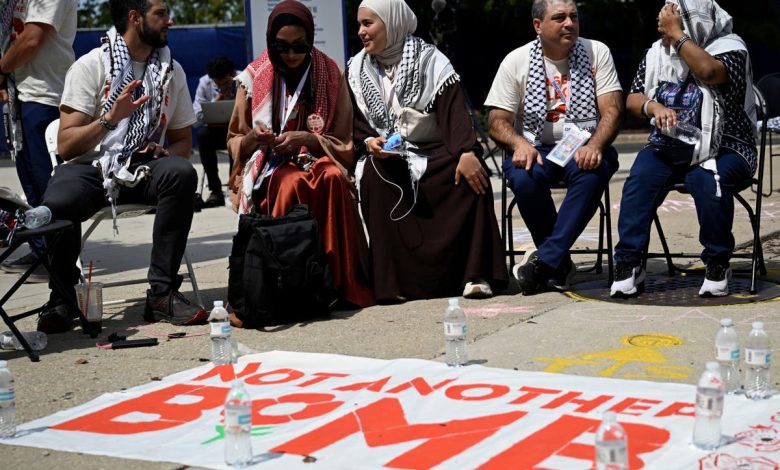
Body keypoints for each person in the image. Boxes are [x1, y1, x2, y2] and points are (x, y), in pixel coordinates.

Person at [36, 0, 207, 333]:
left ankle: (162, 293)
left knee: (182, 173)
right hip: (90, 166)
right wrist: (109, 118)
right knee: (55, 203)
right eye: (160, 14)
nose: (169, 21)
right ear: (135, 18)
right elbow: (67, 145)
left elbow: (183, 141)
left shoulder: (172, 71)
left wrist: (165, 155)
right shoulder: (90, 66)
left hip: (142, 165)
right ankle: (63, 298)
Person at [348, 0, 507, 302]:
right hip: (388, 156)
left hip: (433, 151)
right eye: (360, 25)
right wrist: (368, 142)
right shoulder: (356, 70)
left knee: (468, 172)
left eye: (368, 23)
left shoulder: (430, 60)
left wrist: (466, 152)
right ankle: (394, 283)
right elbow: (355, 125)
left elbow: (454, 113)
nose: (361, 32)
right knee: (373, 174)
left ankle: (474, 274)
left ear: (392, 23)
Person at [227, 0, 374, 320]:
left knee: (332, 178)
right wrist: (257, 137)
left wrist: (308, 139)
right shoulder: (253, 77)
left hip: (317, 154)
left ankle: (338, 284)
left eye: (299, 46)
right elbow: (235, 140)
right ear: (270, 42)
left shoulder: (329, 72)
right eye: (282, 47)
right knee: (289, 182)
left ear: (310, 41)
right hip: (269, 163)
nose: (291, 55)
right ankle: (287, 285)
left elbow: (343, 140)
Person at [610, 0, 756, 298]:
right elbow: (633, 97)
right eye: (665, 20)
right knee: (640, 178)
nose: (665, 25)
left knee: (707, 178)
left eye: (676, 20)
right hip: (671, 144)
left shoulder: (731, 48)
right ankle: (630, 263)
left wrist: (678, 36)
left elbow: (708, 72)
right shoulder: (657, 52)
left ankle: (717, 263)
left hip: (727, 147)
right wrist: (654, 106)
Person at [485, 0, 623, 295]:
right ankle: (558, 263)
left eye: (573, 16)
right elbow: (496, 120)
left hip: (583, 142)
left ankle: (545, 262)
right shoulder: (516, 61)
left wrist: (596, 144)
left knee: (593, 168)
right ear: (538, 26)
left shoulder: (596, 52)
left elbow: (612, 110)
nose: (569, 23)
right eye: (559, 18)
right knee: (524, 176)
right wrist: (518, 143)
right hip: (536, 145)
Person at [0, 0, 77, 283]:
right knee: (31, 183)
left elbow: (32, 39)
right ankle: (42, 250)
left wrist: (1, 68)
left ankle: (60, 262)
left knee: (48, 187)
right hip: (23, 92)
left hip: (45, 95)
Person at [193, 55, 237, 208]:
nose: (222, 85)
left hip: (237, 131)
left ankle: (235, 186)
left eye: (225, 82)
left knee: (237, 138)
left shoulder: (243, 79)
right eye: (218, 83)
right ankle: (215, 190)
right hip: (215, 132)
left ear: (231, 75)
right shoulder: (204, 83)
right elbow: (196, 119)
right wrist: (217, 100)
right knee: (202, 136)